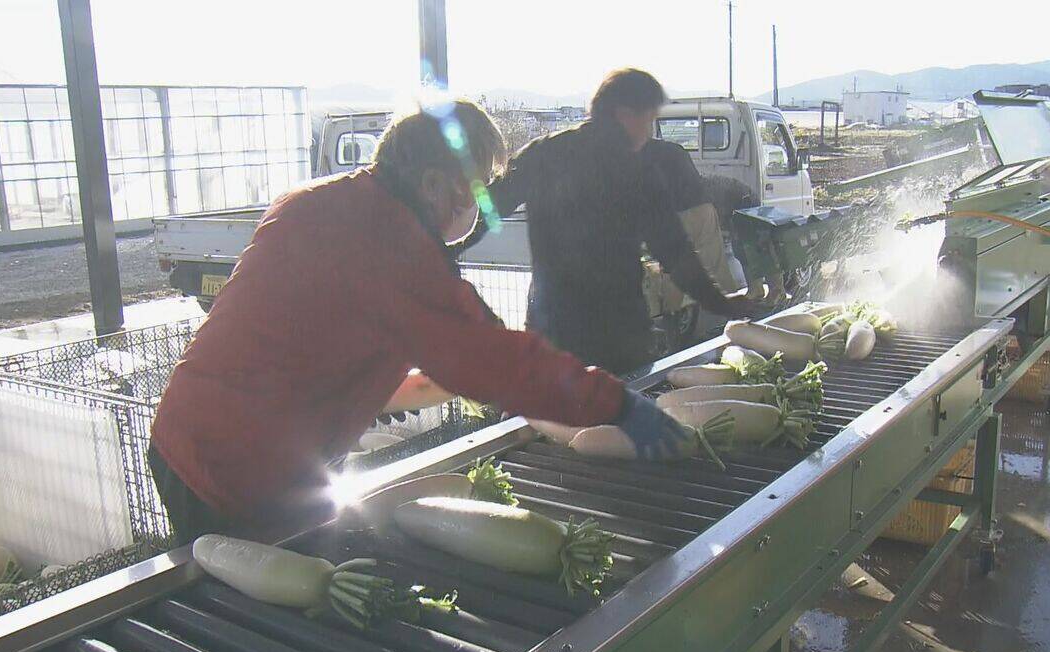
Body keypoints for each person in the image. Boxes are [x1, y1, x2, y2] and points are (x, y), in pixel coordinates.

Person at [148, 100, 685, 544]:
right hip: (237, 469)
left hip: (186, 432)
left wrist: (367, 391)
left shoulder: (315, 200)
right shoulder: (394, 247)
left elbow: (293, 334)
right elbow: (496, 361)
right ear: (434, 185)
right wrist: (614, 403)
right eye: (474, 190)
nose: (478, 204)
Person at [472, 68, 754, 375]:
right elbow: (675, 253)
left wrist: (450, 247)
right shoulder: (638, 173)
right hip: (619, 338)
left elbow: (487, 207)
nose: (649, 132)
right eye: (648, 120)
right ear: (624, 114)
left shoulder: (544, 153)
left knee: (552, 419)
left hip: (553, 333)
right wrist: (721, 303)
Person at [641, 138, 743, 302]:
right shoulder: (674, 148)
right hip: (703, 208)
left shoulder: (638, 155)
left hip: (676, 214)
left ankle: (672, 317)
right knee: (716, 263)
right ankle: (734, 308)